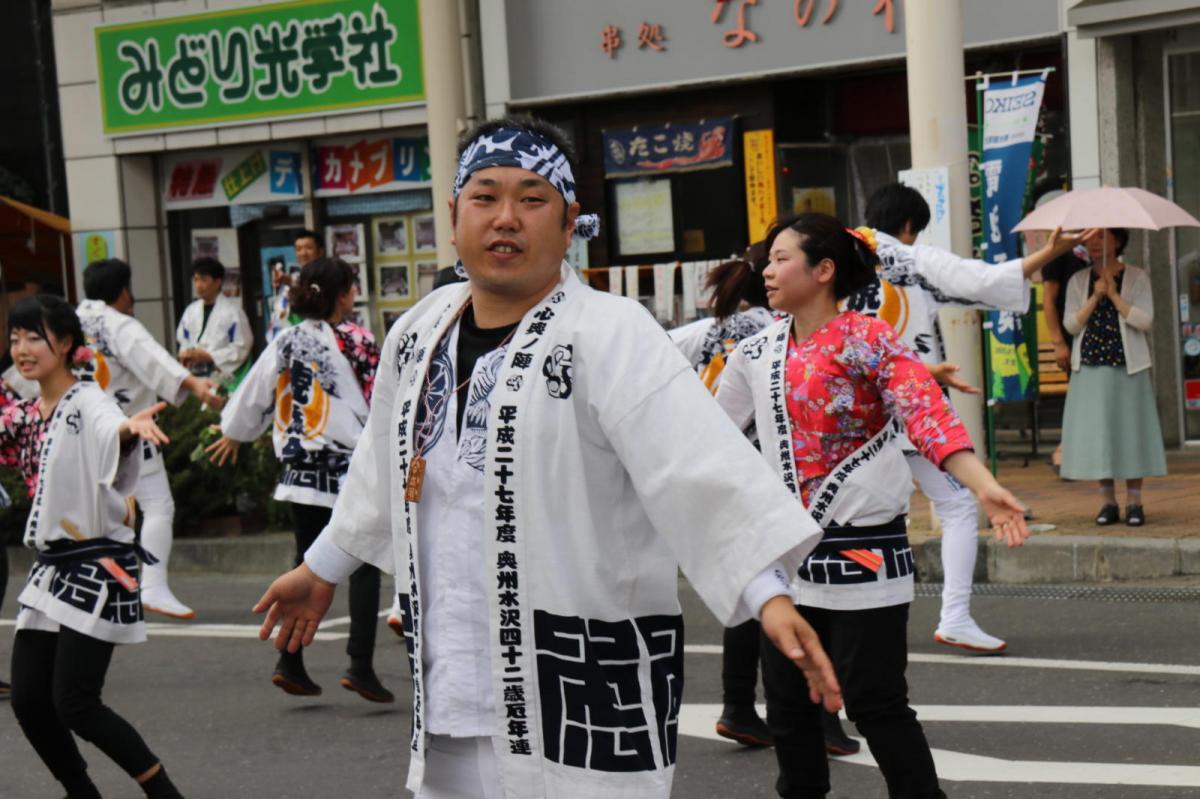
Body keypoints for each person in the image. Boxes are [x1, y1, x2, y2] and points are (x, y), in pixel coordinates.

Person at [253, 114, 842, 799]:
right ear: (452, 215)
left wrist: (769, 594)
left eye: (533, 199)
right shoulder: (418, 332)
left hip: (581, 678)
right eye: (485, 195)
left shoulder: (609, 331)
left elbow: (693, 463)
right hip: (454, 679)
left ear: (569, 224)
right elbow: (380, 470)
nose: (506, 217)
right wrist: (322, 566)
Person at [717, 213, 1031, 799]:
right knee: (788, 706)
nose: (767, 269)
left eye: (783, 257)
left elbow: (925, 412)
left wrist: (982, 485)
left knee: (875, 702)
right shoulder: (755, 352)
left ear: (825, 270)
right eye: (769, 258)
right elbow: (703, 436)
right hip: (787, 557)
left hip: (864, 552)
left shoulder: (869, 337)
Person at [850, 183, 1093, 653]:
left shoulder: (838, 256)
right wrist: (1047, 254)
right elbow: (978, 279)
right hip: (908, 404)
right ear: (908, 227)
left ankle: (838, 614)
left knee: (868, 513)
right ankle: (953, 616)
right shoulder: (906, 258)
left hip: (847, 409)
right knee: (957, 505)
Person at [668, 248, 859, 757]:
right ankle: (822, 717)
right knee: (801, 594)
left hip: (723, 464)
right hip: (775, 473)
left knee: (758, 586)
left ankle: (738, 707)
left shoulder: (714, 328)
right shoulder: (778, 329)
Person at [4, 294, 184, 798]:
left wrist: (131, 429)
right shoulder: (26, 413)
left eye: (34, 337)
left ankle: (165, 794)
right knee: (28, 700)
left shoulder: (89, 400)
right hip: (52, 571)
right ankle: (81, 791)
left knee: (76, 702)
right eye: (15, 337)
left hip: (97, 568)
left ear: (64, 344)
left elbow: (112, 426)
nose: (21, 348)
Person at [205, 257, 390, 702]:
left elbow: (253, 394)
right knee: (362, 564)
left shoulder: (285, 340)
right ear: (344, 294)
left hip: (301, 472)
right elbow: (386, 402)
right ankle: (360, 666)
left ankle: (289, 661)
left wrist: (235, 432)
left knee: (306, 562)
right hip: (350, 470)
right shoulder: (359, 342)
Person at [76, 259, 225, 618]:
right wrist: (194, 385)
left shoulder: (74, 320)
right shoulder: (118, 324)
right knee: (157, 505)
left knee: (99, 511)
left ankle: (96, 588)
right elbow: (152, 359)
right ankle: (152, 586)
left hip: (83, 428)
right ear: (123, 290)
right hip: (128, 426)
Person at [1060, 228, 1166, 526]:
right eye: (1090, 238)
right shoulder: (1078, 280)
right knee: (1101, 436)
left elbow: (1145, 321)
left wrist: (1116, 296)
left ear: (1118, 240)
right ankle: (1108, 502)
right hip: (1090, 367)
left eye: (1101, 237)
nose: (1093, 243)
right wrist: (1095, 296)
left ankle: (1135, 502)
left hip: (1128, 366)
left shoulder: (1137, 277)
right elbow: (1071, 326)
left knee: (1131, 432)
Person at [175, 257, 252, 384]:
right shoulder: (190, 311)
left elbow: (242, 346)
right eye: (196, 279)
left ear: (218, 282)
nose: (198, 285)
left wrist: (210, 356)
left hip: (222, 377)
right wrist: (187, 353)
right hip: (194, 375)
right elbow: (183, 338)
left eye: (204, 280)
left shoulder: (233, 312)